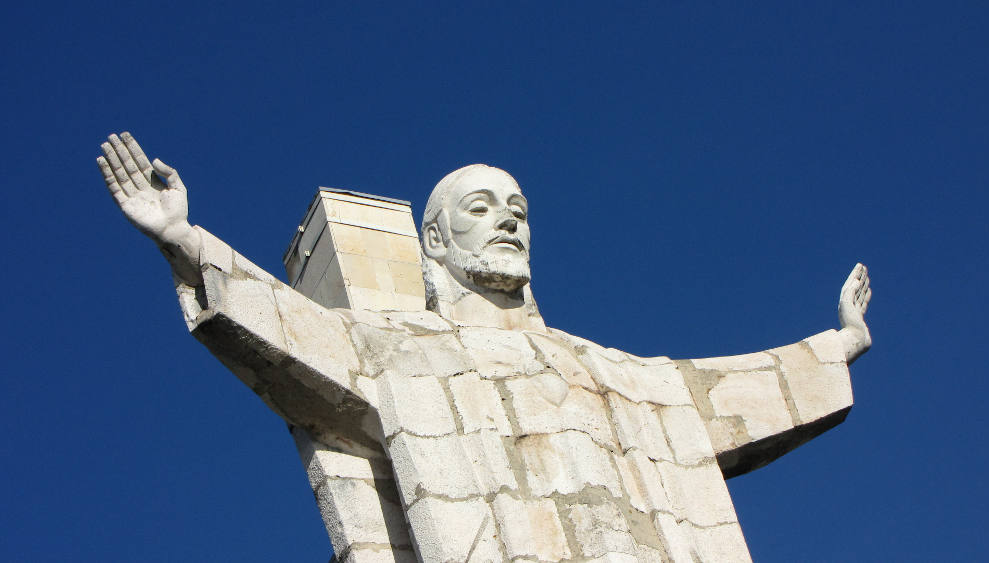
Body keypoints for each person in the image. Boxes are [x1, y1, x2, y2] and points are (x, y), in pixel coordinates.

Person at [98, 132, 872, 562]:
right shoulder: (393, 350)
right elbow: (294, 332)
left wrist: (836, 345)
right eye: (481, 207)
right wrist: (184, 240)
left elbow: (725, 392)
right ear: (434, 239)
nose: (509, 221)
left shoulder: (624, 377)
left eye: (519, 208)